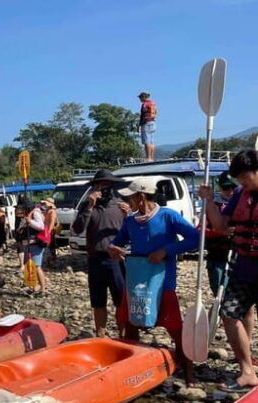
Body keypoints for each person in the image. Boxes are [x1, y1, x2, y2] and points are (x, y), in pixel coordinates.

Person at [108, 177, 199, 385]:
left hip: (163, 283)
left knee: (175, 328)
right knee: (129, 322)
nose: (128, 201)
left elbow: (194, 238)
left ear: (140, 197)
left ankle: (189, 374)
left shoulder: (168, 216)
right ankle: (132, 369)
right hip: (136, 281)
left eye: (130, 197)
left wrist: (166, 251)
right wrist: (113, 248)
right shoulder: (130, 221)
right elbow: (118, 241)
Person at [199, 150, 258, 392]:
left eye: (245, 178)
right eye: (239, 179)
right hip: (244, 267)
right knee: (229, 313)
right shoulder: (239, 195)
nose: (242, 183)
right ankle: (247, 372)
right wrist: (208, 201)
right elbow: (222, 226)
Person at [72, 169, 127, 337]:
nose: (103, 188)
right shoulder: (88, 205)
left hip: (116, 260)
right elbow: (78, 228)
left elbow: (133, 231)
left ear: (112, 186)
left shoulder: (120, 205)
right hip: (95, 258)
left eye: (106, 185)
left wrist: (130, 215)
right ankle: (100, 335)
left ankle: (123, 334)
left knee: (120, 300)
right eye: (99, 185)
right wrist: (89, 206)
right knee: (98, 301)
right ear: (94, 187)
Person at [25, 199, 51, 295]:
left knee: (37, 266)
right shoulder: (34, 212)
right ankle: (36, 286)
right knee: (33, 266)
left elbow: (40, 227)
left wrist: (29, 221)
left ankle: (43, 289)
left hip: (36, 243)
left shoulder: (35, 213)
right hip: (31, 243)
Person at [138, 91, 158, 161]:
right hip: (153, 122)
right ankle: (151, 158)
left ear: (144, 97)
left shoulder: (145, 104)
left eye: (140, 97)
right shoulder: (153, 103)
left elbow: (142, 115)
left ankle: (148, 158)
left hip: (146, 123)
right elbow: (155, 112)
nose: (140, 99)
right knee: (151, 141)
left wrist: (140, 125)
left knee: (147, 141)